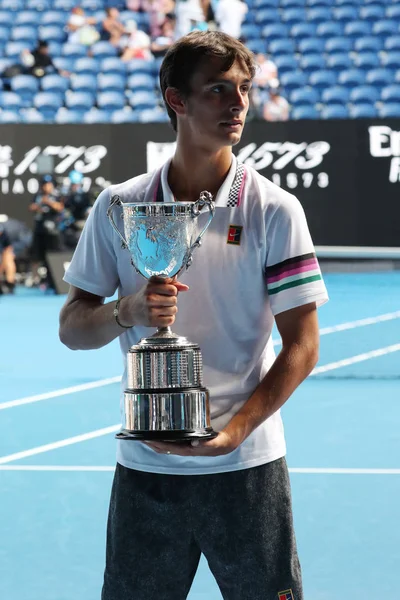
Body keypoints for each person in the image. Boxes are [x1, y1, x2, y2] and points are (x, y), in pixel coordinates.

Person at [59, 31, 329, 599]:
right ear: (176, 100)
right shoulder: (118, 206)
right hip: (144, 469)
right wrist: (126, 309)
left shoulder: (276, 210)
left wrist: (234, 432)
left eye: (245, 90)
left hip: (248, 468)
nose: (238, 104)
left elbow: (302, 345)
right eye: (218, 90)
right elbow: (71, 328)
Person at [29, 175, 64, 288]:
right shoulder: (38, 196)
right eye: (44, 184)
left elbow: (60, 208)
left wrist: (48, 202)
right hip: (40, 230)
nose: (46, 187)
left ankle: (55, 279)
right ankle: (36, 279)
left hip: (52, 231)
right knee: (36, 255)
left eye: (48, 184)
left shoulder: (56, 195)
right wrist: (40, 204)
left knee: (53, 255)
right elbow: (32, 208)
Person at [0, 221, 16, 294]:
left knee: (9, 261)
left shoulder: (4, 233)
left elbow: (8, 247)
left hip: (3, 252)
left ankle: (10, 284)